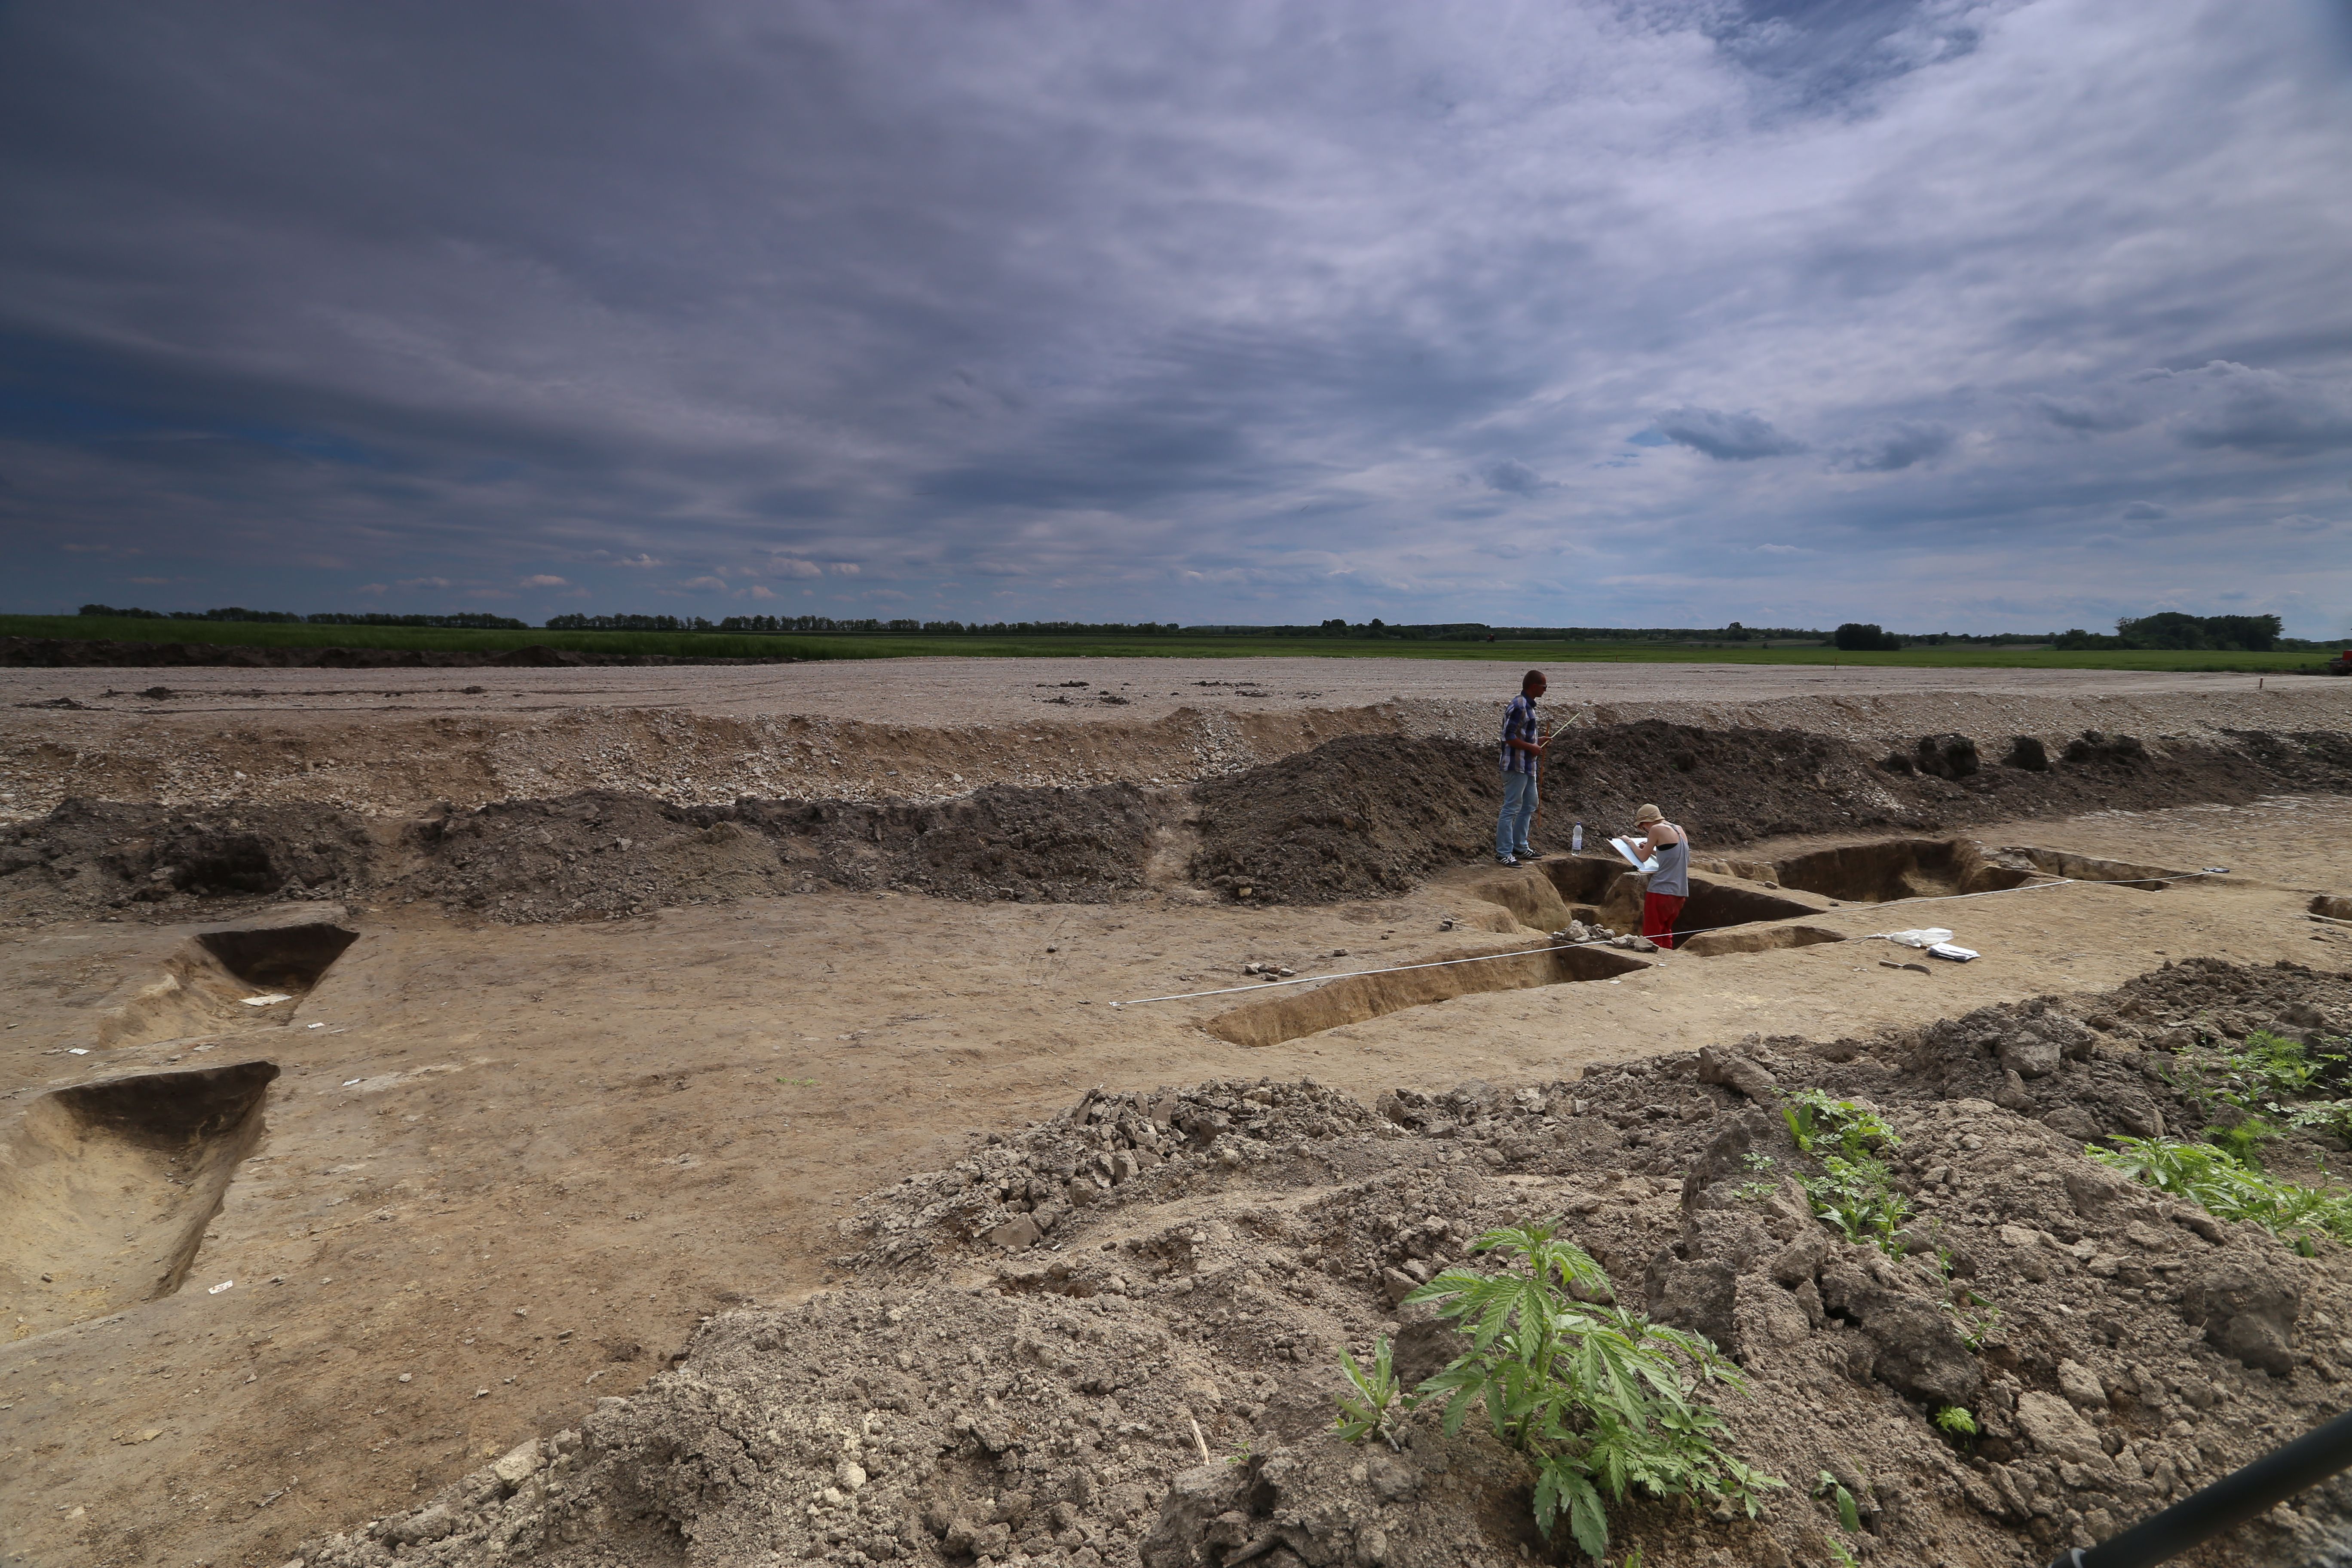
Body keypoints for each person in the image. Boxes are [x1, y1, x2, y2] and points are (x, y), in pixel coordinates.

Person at [1495, 670, 1546, 865]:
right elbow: (1508, 736)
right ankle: (1504, 852)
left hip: (1526, 766)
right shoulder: (1519, 706)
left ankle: (1520, 847)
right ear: (1534, 686)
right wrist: (1531, 747)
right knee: (1511, 808)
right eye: (1544, 687)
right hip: (1515, 766)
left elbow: (1520, 734)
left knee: (1530, 804)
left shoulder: (1527, 706)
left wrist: (1537, 741)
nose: (1545, 691)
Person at [1631, 803, 1689, 947]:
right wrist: (1652, 851)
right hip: (1679, 894)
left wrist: (1629, 843)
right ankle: (1665, 965)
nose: (1645, 829)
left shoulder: (1656, 829)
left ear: (1647, 821)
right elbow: (1674, 856)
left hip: (1661, 891)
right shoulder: (1679, 829)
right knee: (1666, 932)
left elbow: (1642, 858)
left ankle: (1653, 965)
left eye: (1643, 826)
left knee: (1653, 937)